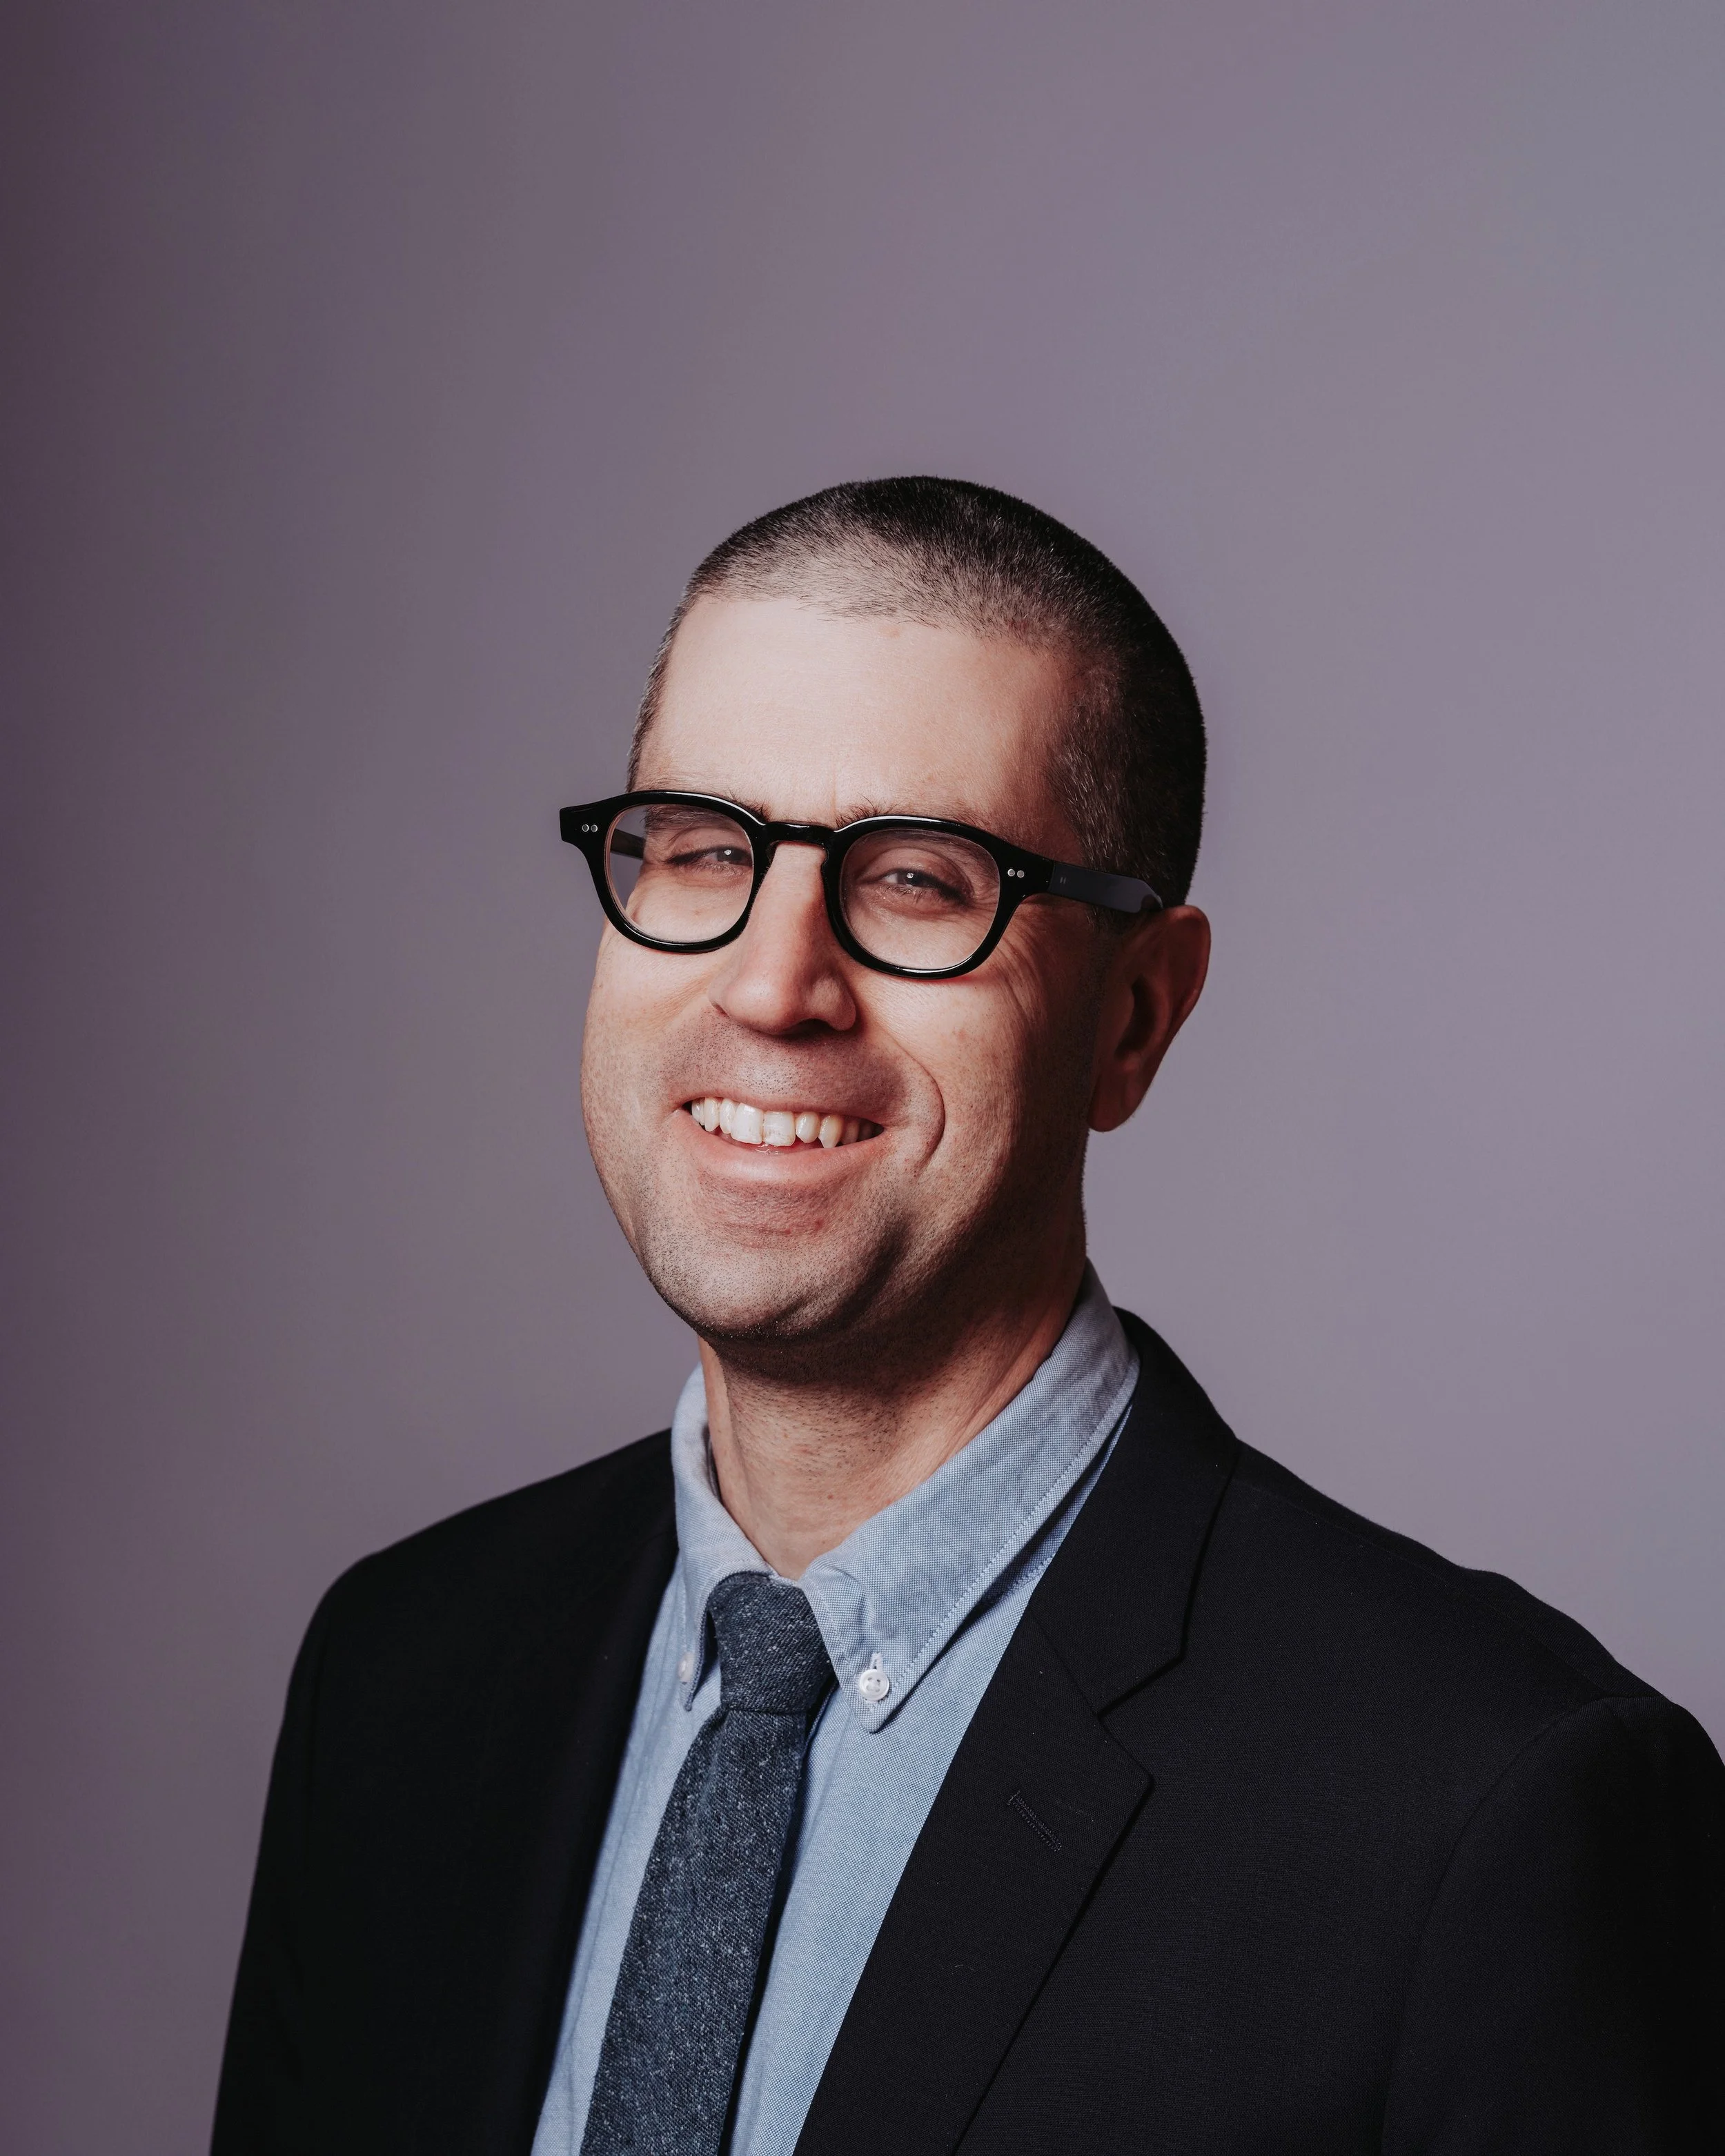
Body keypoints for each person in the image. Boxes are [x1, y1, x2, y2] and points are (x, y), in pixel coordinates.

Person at [213, 478, 1724, 2155]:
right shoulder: (402, 1675)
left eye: (920, 879)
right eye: (702, 847)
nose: (772, 983)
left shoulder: (1486, 1805)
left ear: (1132, 1016)